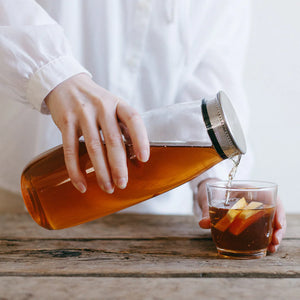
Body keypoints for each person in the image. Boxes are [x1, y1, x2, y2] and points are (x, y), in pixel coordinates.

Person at [0, 0, 285, 252]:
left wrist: (216, 182)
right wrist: (55, 74)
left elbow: (207, 87)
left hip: (154, 226)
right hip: (30, 199)